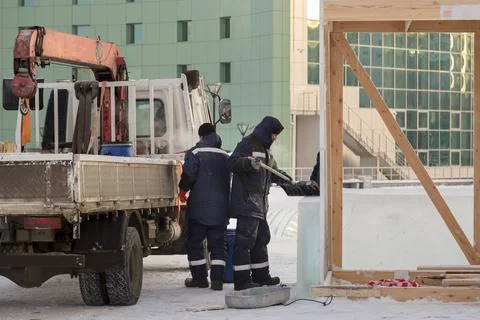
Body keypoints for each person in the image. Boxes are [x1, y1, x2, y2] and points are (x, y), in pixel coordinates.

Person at [227, 116, 284, 291]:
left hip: (260, 204)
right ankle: (242, 280)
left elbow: (272, 172)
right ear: (266, 131)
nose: (275, 138)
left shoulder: (267, 151)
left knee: (261, 240)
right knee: (245, 242)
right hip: (247, 202)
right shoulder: (247, 144)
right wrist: (248, 162)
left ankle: (262, 276)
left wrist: (286, 179)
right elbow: (232, 162)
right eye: (273, 134)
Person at [178, 123, 230, 291]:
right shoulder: (225, 155)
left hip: (199, 208)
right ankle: (217, 280)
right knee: (218, 244)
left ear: (201, 136)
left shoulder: (194, 153)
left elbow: (189, 176)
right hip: (221, 209)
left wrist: (182, 190)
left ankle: (199, 279)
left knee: (195, 243)